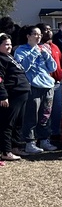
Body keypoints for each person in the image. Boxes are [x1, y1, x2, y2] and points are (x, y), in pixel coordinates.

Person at [14, 25, 57, 154]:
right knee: (31, 115)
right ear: (28, 36)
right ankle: (30, 142)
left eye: (40, 34)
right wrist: (34, 52)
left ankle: (44, 139)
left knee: (46, 115)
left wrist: (47, 55)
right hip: (33, 86)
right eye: (35, 34)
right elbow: (22, 68)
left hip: (48, 85)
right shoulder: (21, 50)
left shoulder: (43, 48)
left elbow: (52, 68)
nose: (39, 37)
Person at [0, 32, 30, 161]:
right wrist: (3, 96)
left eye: (10, 44)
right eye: (6, 44)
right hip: (12, 94)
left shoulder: (9, 56)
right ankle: (6, 151)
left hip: (22, 92)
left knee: (19, 122)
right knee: (8, 122)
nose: (9, 47)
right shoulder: (0, 58)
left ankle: (15, 146)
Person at [38, 23, 62, 145]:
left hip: (57, 84)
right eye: (45, 30)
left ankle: (55, 134)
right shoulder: (38, 48)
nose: (48, 32)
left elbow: (60, 63)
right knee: (45, 112)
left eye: (49, 29)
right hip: (44, 85)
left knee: (57, 111)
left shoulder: (55, 47)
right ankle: (42, 136)